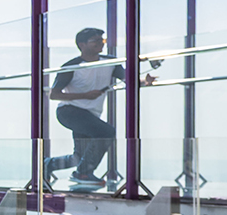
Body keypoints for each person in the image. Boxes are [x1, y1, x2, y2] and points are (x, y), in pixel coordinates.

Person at [44, 27, 153, 188]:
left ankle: (48, 165)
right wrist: (85, 95)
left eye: (102, 40)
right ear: (82, 44)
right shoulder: (71, 66)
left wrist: (145, 82)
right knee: (106, 132)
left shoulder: (110, 62)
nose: (100, 44)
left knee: (79, 156)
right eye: (95, 41)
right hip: (69, 112)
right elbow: (54, 95)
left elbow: (130, 81)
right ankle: (82, 173)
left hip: (89, 114)